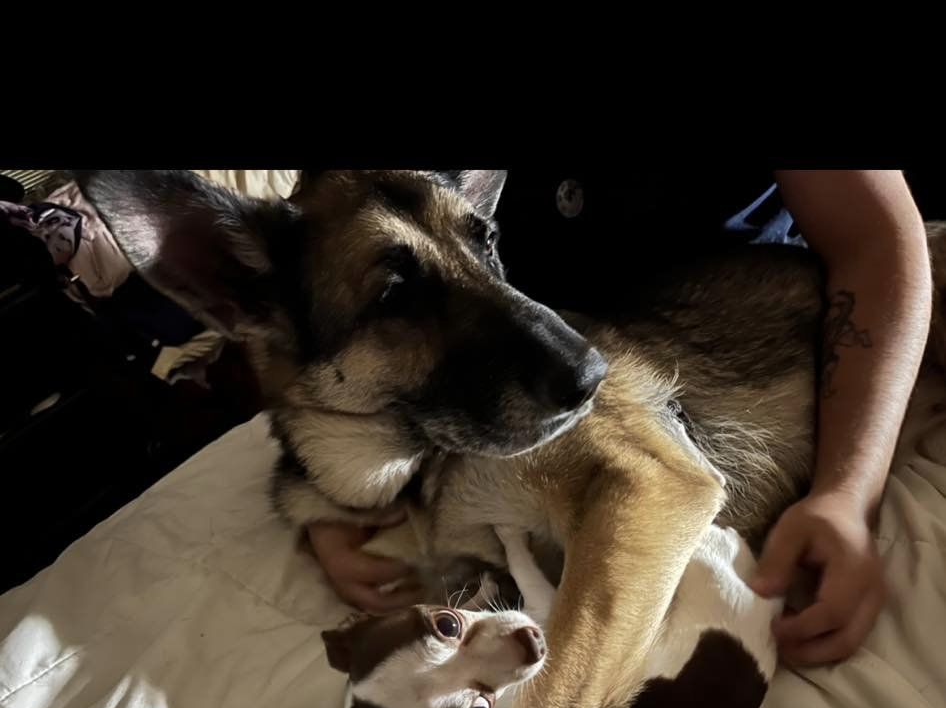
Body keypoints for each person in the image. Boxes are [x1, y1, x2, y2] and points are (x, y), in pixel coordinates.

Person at [311, 170, 934, 669]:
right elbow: (312, 284)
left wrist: (850, 493)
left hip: (765, 328)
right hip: (536, 367)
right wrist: (331, 501)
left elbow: (876, 244)